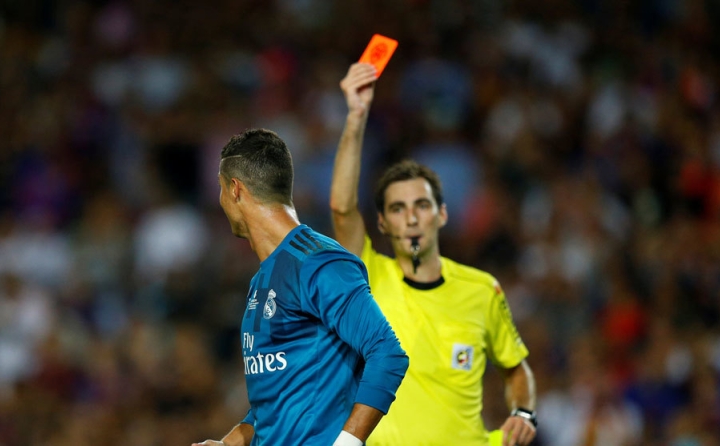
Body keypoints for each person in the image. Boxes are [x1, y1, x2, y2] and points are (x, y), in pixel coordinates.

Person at [330, 63, 537, 446]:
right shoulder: (368, 279)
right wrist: (356, 117)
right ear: (382, 223)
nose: (411, 217)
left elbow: (516, 368)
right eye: (397, 209)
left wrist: (523, 412)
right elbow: (342, 209)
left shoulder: (481, 289)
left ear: (441, 214)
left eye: (421, 205)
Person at [193, 128, 409, 446]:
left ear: (235, 190)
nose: (220, 201)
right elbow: (280, 396)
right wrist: (231, 441)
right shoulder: (264, 277)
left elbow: (387, 352)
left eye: (221, 189)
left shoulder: (318, 262)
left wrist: (348, 442)